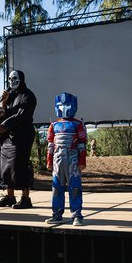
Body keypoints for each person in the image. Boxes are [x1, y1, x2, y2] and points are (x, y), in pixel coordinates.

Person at [0, 70, 37, 209]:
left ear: (21, 79)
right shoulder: (10, 96)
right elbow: (3, 114)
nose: (12, 81)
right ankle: (10, 196)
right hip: (9, 136)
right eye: (10, 79)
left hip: (23, 134)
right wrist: (4, 103)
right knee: (5, 166)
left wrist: (5, 126)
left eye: (14, 78)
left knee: (21, 164)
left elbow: (21, 115)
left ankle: (25, 198)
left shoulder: (28, 96)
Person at [45, 92, 87, 226]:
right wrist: (49, 161)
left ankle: (77, 215)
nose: (63, 108)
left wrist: (82, 161)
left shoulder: (78, 124)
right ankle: (57, 214)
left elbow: (82, 144)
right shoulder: (54, 125)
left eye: (67, 105)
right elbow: (50, 145)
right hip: (58, 160)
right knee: (56, 187)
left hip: (72, 160)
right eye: (60, 105)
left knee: (75, 187)